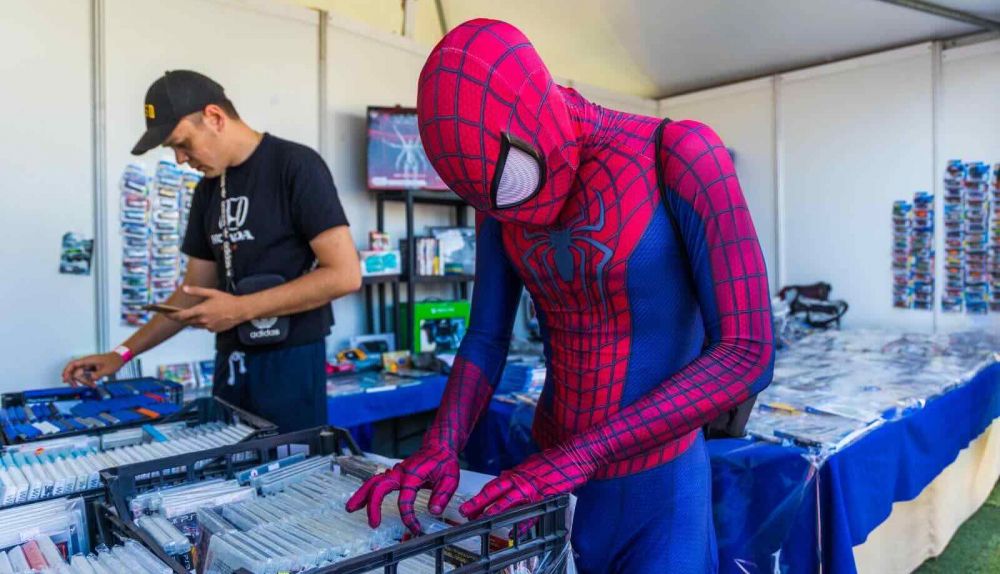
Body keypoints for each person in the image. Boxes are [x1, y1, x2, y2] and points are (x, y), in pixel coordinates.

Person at [345, 20, 774, 573]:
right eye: (494, 205)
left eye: (512, 189)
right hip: (551, 477)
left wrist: (583, 453)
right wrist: (440, 444)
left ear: (536, 121)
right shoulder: (497, 195)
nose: (514, 217)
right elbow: (485, 334)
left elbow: (747, 352)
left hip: (658, 487)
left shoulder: (680, 155)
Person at [62, 70, 360, 432]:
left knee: (291, 472)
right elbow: (191, 292)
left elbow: (344, 274)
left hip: (291, 364)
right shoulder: (206, 190)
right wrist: (121, 354)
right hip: (230, 364)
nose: (180, 159)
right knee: (229, 472)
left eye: (183, 143)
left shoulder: (295, 165)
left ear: (214, 117)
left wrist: (239, 309)